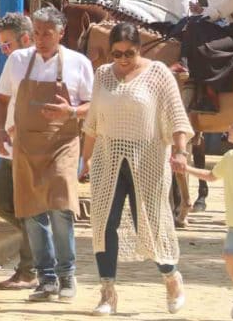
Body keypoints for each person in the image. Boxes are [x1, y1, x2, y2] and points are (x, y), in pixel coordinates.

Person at [81, 22, 192, 315]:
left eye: (128, 53)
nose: (123, 59)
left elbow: (177, 118)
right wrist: (85, 158)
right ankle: (107, 293)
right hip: (108, 158)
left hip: (149, 159)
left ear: (139, 48)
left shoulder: (158, 74)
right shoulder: (103, 75)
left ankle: (171, 279)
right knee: (103, 223)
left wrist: (180, 151)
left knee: (152, 224)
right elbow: (92, 121)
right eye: (116, 54)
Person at [0, 7, 94, 302]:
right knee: (32, 212)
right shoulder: (17, 60)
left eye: (47, 33)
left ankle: (67, 274)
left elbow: (93, 105)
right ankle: (45, 278)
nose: (40, 39)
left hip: (63, 144)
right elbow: (1, 101)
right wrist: (0, 131)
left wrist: (72, 111)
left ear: (61, 33)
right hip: (25, 145)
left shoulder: (78, 63)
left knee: (61, 208)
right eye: (36, 32)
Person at [0, 12, 37, 291]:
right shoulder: (14, 64)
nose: (4, 51)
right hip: (10, 146)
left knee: (30, 211)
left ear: (26, 39)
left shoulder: (36, 61)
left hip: (32, 149)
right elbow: (1, 100)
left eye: (7, 45)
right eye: (1, 46)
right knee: (1, 201)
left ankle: (27, 269)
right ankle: (42, 242)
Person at [180, 122, 233, 319]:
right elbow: (211, 176)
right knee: (230, 255)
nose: (228, 128)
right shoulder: (230, 158)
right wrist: (185, 168)